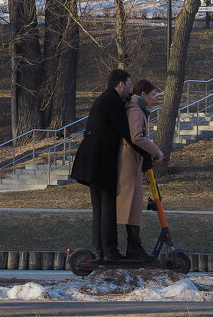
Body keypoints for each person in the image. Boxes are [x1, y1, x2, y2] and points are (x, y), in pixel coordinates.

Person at [69, 69, 133, 261]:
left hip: (90, 159)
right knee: (107, 205)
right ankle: (110, 250)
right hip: (100, 160)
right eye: (129, 84)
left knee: (99, 206)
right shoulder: (113, 101)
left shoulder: (105, 99)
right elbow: (127, 133)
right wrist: (147, 156)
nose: (130, 89)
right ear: (120, 84)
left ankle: (100, 250)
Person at [118, 79, 165, 260]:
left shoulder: (137, 109)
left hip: (133, 162)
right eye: (152, 95)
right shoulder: (136, 110)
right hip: (130, 163)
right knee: (132, 206)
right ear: (143, 94)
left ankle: (134, 246)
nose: (154, 98)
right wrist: (156, 150)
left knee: (134, 206)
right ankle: (133, 247)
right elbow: (137, 137)